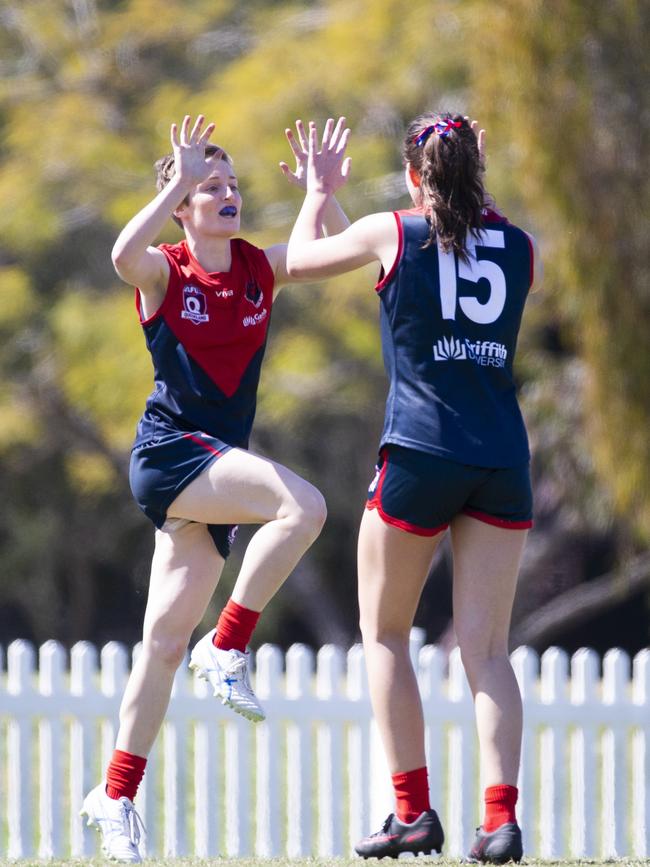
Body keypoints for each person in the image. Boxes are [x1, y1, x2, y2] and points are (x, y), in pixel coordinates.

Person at [80, 114, 350, 863]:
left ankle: (115, 795)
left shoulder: (259, 267)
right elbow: (118, 254)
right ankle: (227, 646)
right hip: (170, 453)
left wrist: (322, 193)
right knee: (307, 505)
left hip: (211, 469)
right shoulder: (166, 270)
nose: (227, 194)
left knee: (162, 643)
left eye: (233, 184)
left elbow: (331, 254)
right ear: (183, 207)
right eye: (210, 187)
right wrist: (171, 180)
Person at [286, 114, 542, 863]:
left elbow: (308, 258)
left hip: (421, 454)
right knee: (488, 650)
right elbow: (403, 268)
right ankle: (499, 822)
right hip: (501, 457)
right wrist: (350, 216)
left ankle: (410, 812)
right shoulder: (521, 247)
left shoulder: (391, 230)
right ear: (478, 169)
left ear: (411, 177)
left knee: (386, 634)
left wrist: (316, 191)